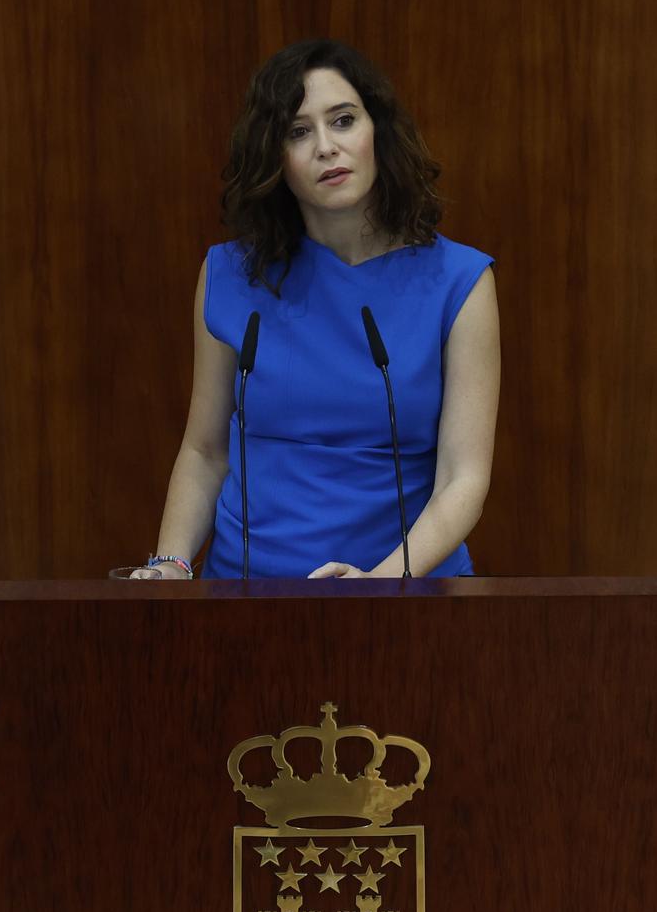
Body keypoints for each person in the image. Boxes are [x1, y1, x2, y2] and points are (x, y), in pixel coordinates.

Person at [127, 39, 500, 580]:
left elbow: (463, 478)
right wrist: (171, 564)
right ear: (275, 159)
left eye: (343, 120)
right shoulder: (232, 275)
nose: (326, 147)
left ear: (378, 131)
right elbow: (206, 451)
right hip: (246, 599)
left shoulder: (460, 282)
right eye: (298, 132)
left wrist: (380, 585)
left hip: (406, 599)